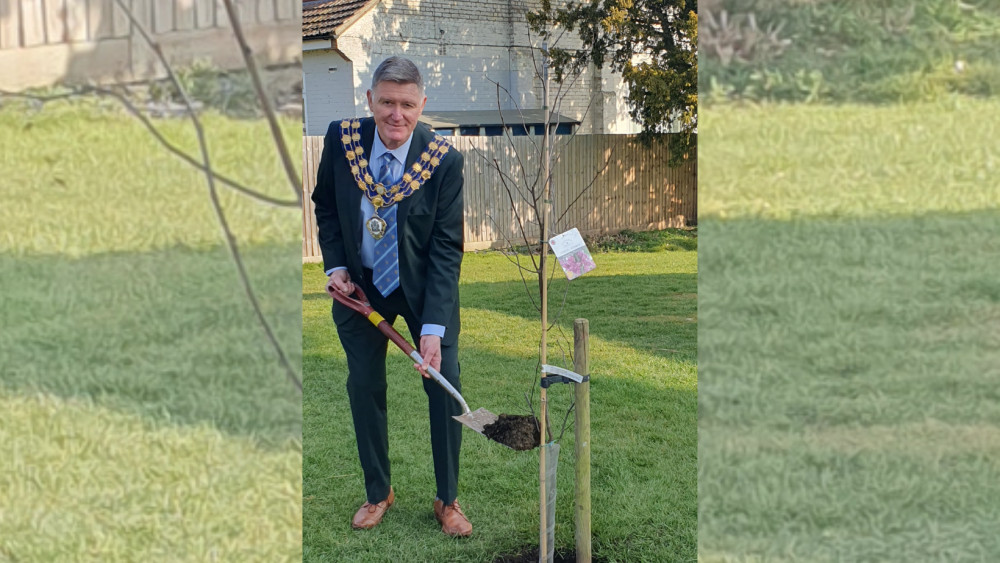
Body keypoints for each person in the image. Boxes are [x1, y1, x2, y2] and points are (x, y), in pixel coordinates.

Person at [311, 56, 471, 537]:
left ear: (421, 105)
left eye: (406, 104)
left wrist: (433, 329)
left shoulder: (443, 161)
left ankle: (448, 499)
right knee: (364, 388)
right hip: (360, 289)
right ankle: (378, 492)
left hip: (422, 293)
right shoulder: (343, 142)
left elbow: (446, 247)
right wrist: (336, 265)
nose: (395, 114)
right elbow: (326, 207)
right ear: (370, 101)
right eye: (386, 102)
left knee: (444, 390)